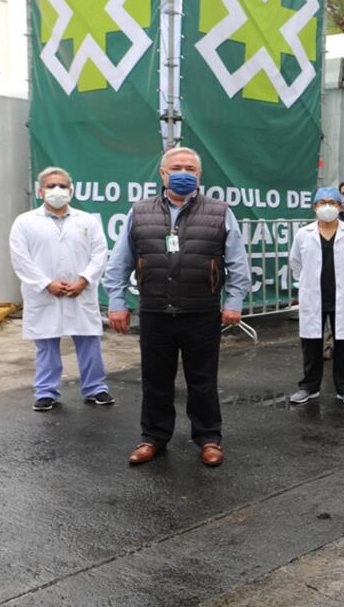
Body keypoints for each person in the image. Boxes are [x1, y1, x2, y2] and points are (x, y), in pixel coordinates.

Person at [103, 147, 250, 468]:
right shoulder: (139, 211)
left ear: (199, 175)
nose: (183, 173)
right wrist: (116, 301)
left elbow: (237, 261)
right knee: (155, 380)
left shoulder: (220, 211)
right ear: (163, 173)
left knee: (203, 380)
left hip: (202, 312)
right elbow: (120, 260)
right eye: (176, 167)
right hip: (155, 311)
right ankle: (153, 437)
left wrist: (234, 300)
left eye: (190, 169)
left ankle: (208, 438)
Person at [9, 166, 113, 412]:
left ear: (71, 190)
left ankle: (95, 387)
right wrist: (46, 284)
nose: (57, 190)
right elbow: (20, 258)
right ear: (40, 191)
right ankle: (46, 391)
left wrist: (84, 280)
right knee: (46, 343)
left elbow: (100, 253)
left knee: (89, 341)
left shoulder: (87, 221)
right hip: (44, 293)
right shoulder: (25, 222)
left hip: (80, 291)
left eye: (62, 186)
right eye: (51, 186)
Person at [289, 187, 344, 406]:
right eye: (322, 203)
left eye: (332, 202)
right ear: (315, 207)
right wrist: (307, 284)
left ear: (339, 206)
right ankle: (309, 386)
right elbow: (296, 263)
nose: (327, 207)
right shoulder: (304, 234)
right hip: (314, 297)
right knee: (311, 342)